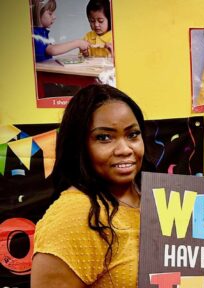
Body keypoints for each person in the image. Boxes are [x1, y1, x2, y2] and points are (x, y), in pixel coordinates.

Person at [31, 84, 147, 287]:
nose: (124, 149)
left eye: (132, 134)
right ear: (79, 145)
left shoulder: (162, 199)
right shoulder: (73, 217)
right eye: (104, 137)